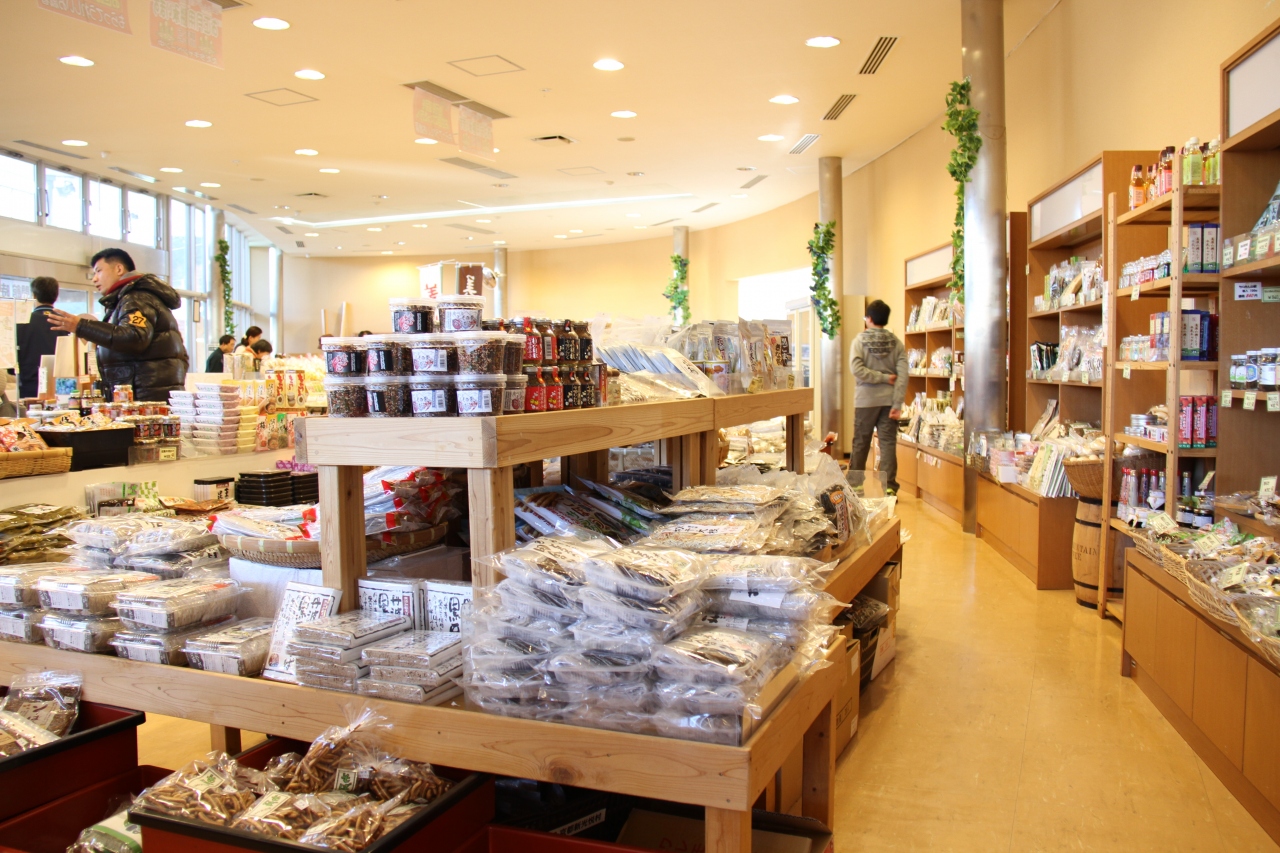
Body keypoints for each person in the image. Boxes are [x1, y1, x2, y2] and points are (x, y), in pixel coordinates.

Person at [46, 248, 188, 403]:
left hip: (145, 400)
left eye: (98, 271)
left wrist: (81, 326)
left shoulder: (136, 298)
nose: (94, 279)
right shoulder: (131, 299)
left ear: (119, 269)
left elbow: (134, 338)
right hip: (146, 395)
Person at [848, 299, 908, 495]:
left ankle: (856, 486)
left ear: (869, 319)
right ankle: (890, 488)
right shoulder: (897, 343)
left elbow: (857, 369)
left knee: (861, 442)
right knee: (888, 443)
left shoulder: (859, 341)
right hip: (889, 402)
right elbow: (903, 376)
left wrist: (879, 377)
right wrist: (897, 402)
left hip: (865, 400)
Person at [16, 276, 67, 399]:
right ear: (56, 296)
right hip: (61, 388)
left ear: (34, 295)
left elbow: (13, 362)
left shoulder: (21, 322)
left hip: (29, 387)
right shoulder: (65, 323)